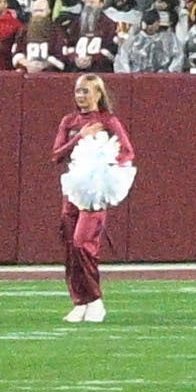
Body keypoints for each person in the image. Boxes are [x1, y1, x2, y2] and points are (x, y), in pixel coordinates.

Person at [53, 66, 134, 321]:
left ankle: (95, 300)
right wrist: (79, 137)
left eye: (86, 91)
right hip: (72, 191)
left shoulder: (109, 121)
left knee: (83, 244)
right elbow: (56, 155)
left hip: (94, 193)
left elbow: (127, 152)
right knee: (70, 247)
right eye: (78, 91)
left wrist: (107, 169)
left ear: (98, 94)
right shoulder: (69, 121)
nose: (81, 96)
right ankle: (80, 301)